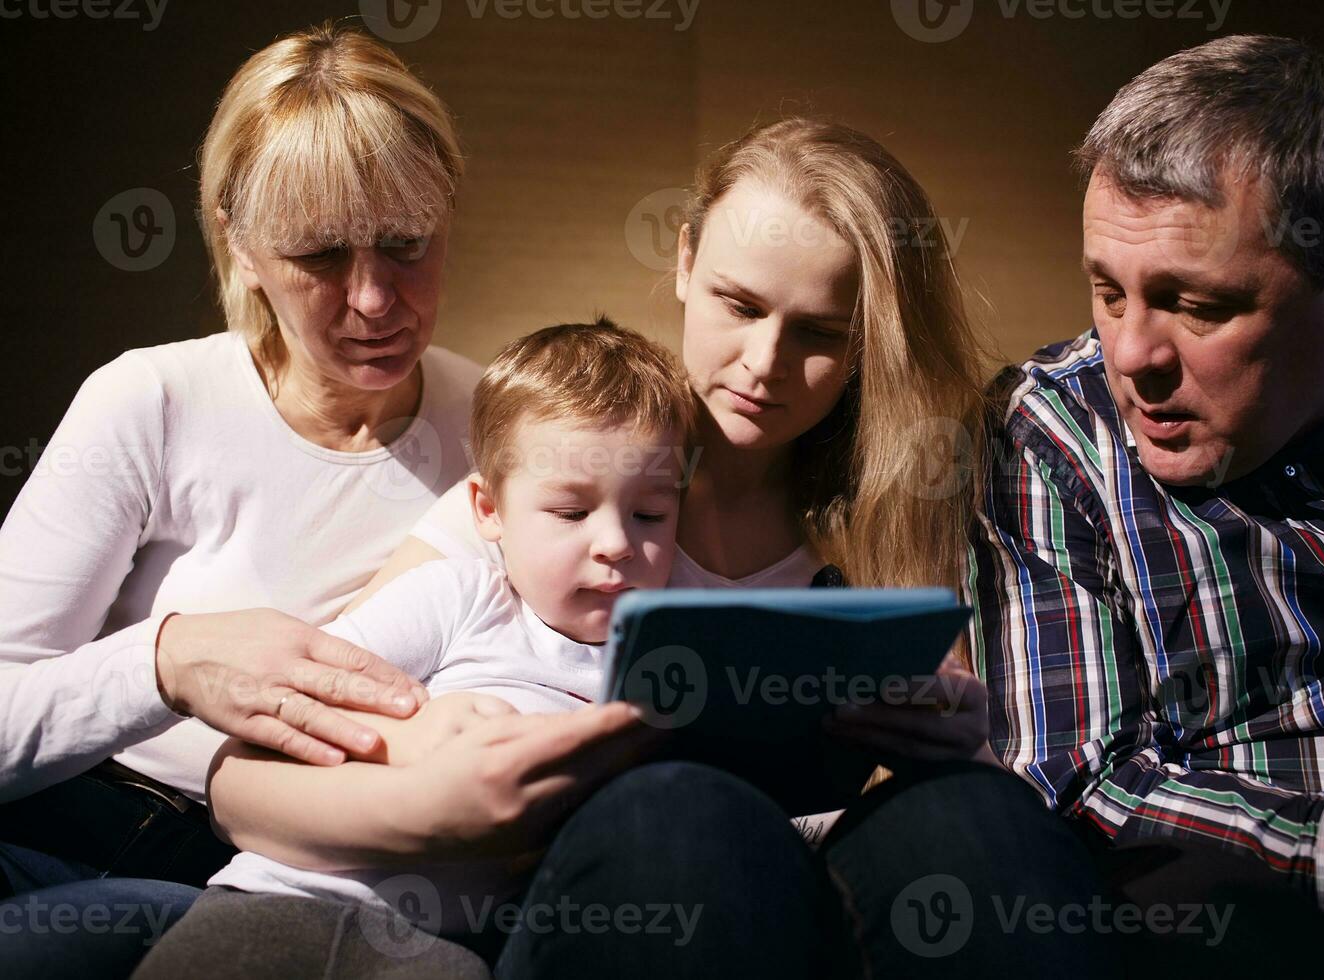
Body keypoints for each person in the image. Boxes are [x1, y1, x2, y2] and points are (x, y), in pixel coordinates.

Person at [202, 118, 1121, 978]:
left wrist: (952, 742)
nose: (763, 363)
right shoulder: (565, 474)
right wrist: (432, 801)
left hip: (796, 883)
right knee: (683, 812)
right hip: (610, 885)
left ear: (866, 342)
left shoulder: (885, 521)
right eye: (737, 303)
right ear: (684, 261)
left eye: (817, 333)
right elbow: (247, 784)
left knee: (981, 816)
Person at [0, 22, 649, 977]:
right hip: (91, 831)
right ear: (240, 242)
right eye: (319, 256)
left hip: (330, 878)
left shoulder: (511, 434)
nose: (376, 299)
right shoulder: (154, 400)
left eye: (406, 245)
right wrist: (167, 660)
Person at [969, 34, 1324, 972]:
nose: (1131, 355)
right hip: (1257, 924)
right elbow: (1081, 784)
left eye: (1197, 307)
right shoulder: (1053, 429)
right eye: (1107, 292)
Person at [134, 318, 693, 977]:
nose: (616, 543)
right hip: (274, 899)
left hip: (445, 949)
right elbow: (291, 707)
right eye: (571, 512)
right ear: (488, 510)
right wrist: (415, 737)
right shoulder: (462, 597)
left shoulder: (661, 671)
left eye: (650, 514)